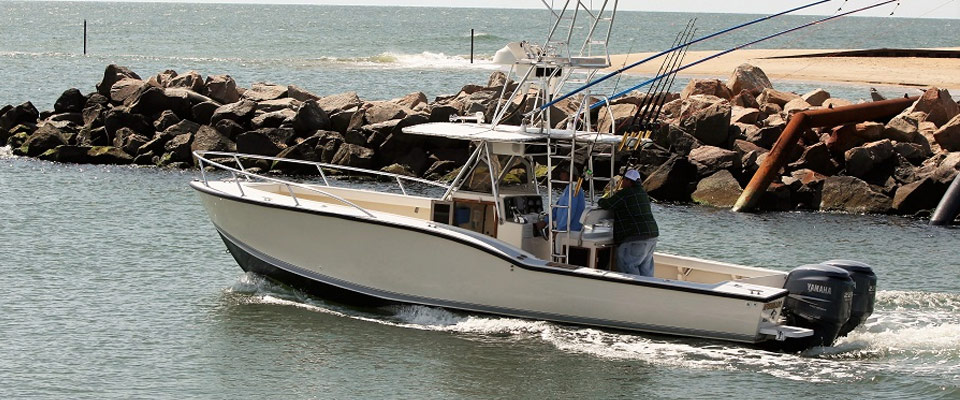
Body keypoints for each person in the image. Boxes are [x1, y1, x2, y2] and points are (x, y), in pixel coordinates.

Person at [597, 169, 659, 276]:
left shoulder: (626, 193)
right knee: (645, 270)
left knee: (628, 268)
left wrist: (603, 198)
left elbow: (606, 204)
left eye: (623, 180)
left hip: (634, 238)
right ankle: (647, 291)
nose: (622, 183)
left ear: (629, 181)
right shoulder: (643, 193)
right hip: (652, 235)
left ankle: (633, 292)